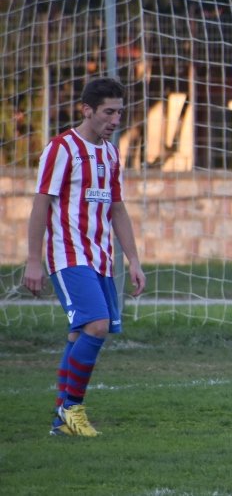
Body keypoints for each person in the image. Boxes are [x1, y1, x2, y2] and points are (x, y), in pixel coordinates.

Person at [22, 77, 147, 437]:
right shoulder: (62, 149)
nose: (115, 119)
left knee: (80, 333)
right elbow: (40, 203)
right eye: (109, 112)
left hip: (101, 257)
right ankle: (72, 408)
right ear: (86, 110)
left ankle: (62, 422)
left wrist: (133, 261)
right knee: (97, 325)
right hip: (68, 255)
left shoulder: (110, 152)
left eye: (120, 112)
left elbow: (118, 209)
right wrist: (33, 260)